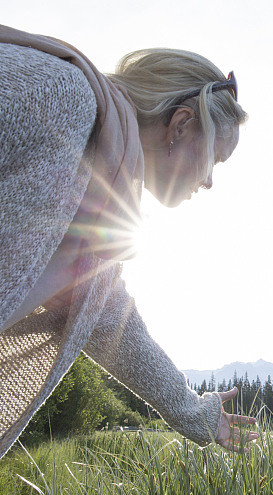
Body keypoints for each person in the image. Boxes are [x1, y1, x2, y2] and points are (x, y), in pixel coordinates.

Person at [0, 24, 258, 458]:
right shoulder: (60, 95)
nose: (210, 181)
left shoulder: (101, 204)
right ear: (180, 123)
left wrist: (192, 410)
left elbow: (111, 320)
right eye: (214, 157)